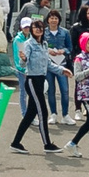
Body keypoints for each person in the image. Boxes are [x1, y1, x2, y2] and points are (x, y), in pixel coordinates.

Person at [10, 19, 59, 155]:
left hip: (41, 80)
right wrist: (24, 59)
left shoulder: (43, 44)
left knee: (30, 114)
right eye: (35, 27)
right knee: (43, 112)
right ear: (31, 30)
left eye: (40, 27)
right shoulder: (28, 44)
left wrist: (62, 70)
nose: (38, 29)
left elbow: (48, 64)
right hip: (32, 81)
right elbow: (23, 63)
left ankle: (16, 143)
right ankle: (47, 144)